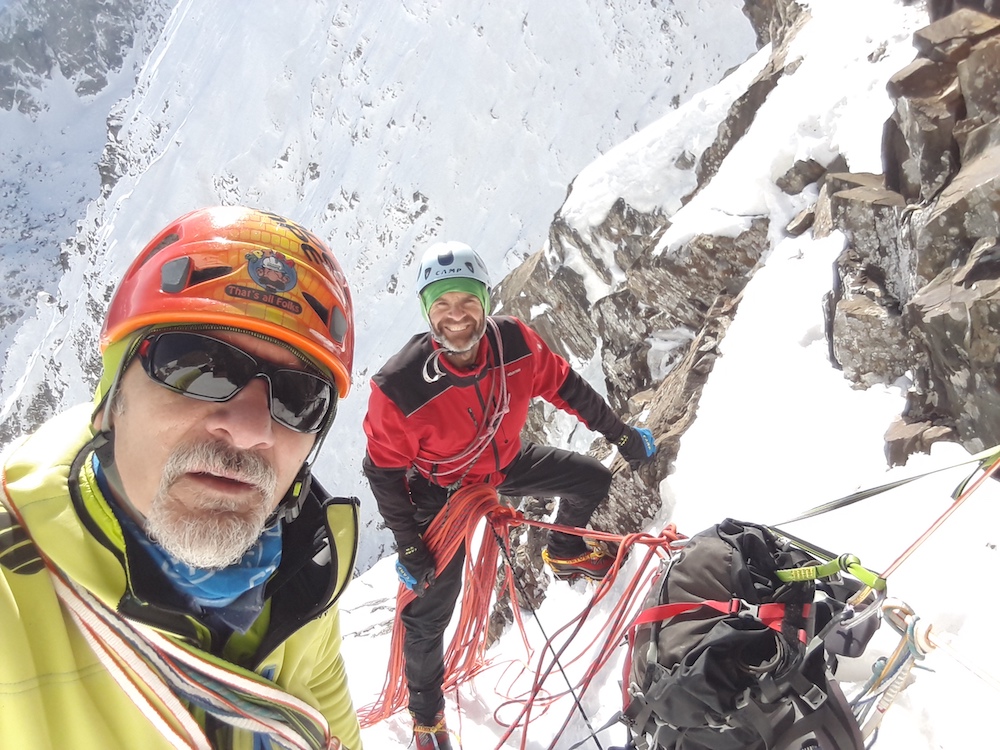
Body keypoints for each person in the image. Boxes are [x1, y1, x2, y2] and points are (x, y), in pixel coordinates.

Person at [1, 207, 364, 749]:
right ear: (113, 399)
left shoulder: (302, 574)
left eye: (297, 398)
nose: (249, 429)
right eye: (200, 367)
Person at [362, 241, 656, 749]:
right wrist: (409, 542)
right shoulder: (401, 386)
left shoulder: (514, 344)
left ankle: (562, 555)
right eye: (443, 304)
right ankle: (427, 718)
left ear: (485, 300)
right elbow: (383, 472)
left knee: (591, 479)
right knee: (432, 607)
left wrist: (620, 434)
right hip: (440, 493)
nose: (457, 317)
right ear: (426, 310)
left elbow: (566, 387)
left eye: (468, 301)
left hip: (503, 465)